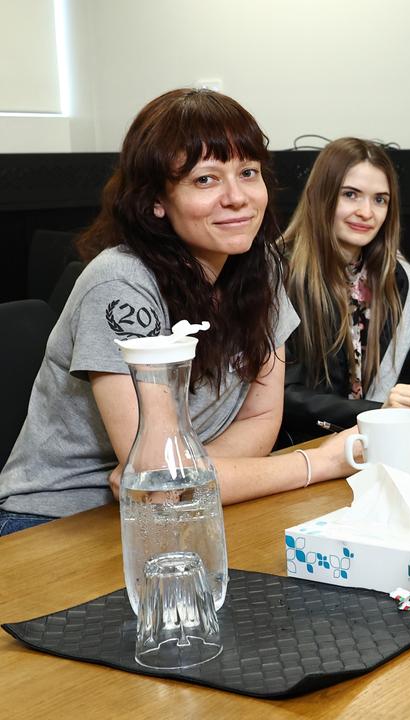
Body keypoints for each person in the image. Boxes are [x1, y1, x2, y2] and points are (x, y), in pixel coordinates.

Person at [0, 89, 355, 537]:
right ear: (156, 201)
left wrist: (190, 476)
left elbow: (259, 420)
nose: (237, 197)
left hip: (178, 513)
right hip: (54, 525)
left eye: (248, 172)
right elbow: (159, 480)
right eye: (205, 179)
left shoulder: (261, 267)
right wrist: (320, 462)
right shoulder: (120, 283)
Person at [279, 137, 410, 445]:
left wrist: (405, 405)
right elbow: (280, 396)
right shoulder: (279, 275)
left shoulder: (402, 281)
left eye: (380, 200)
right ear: (321, 196)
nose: (367, 212)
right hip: (301, 450)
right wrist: (376, 412)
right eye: (351, 195)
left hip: (378, 443)